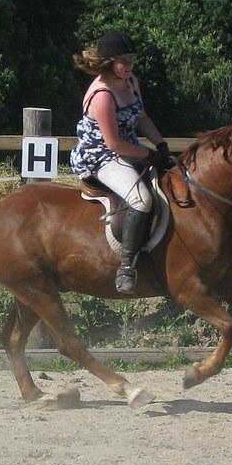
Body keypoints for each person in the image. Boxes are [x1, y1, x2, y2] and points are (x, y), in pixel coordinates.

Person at [70, 31, 171, 294]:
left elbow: (142, 118)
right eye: (123, 61)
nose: (129, 65)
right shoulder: (102, 95)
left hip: (129, 149)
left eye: (132, 59)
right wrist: (148, 155)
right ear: (108, 62)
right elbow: (113, 144)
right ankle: (127, 267)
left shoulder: (131, 82)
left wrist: (161, 145)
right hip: (101, 156)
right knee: (141, 199)